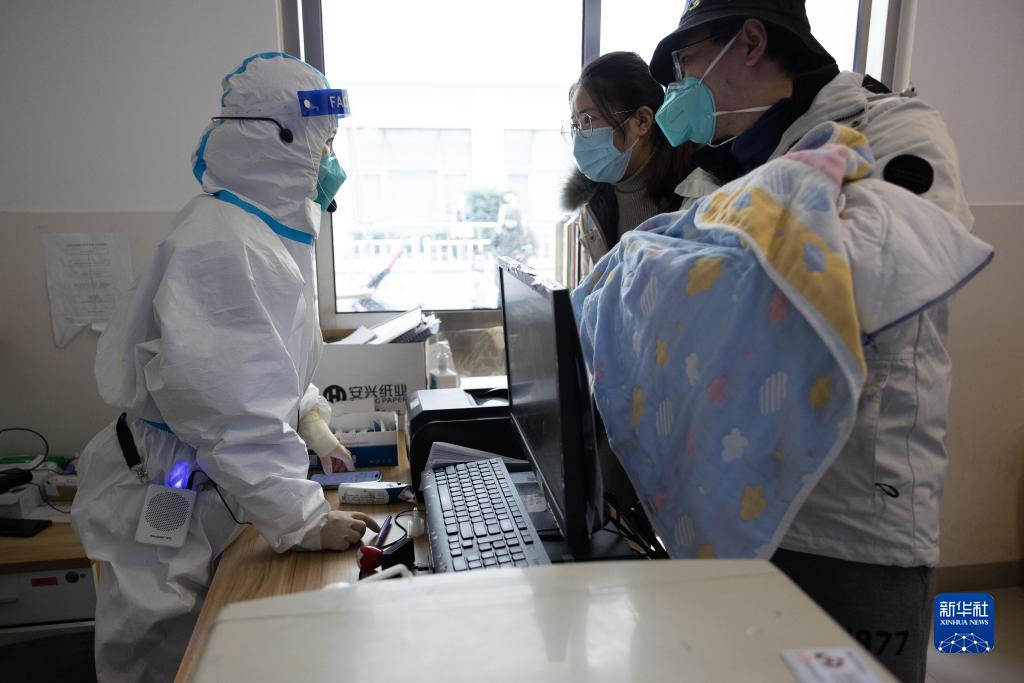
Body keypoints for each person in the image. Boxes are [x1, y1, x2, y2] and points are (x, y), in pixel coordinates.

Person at [648, 2, 972, 681]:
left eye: (685, 62)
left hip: (853, 512)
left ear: (751, 42)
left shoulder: (892, 130)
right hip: (747, 499)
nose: (678, 86)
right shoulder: (724, 170)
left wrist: (695, 274)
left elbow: (863, 281)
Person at [71, 53, 379, 682]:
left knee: (209, 650)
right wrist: (304, 519)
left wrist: (309, 416)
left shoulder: (257, 233)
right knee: (163, 658)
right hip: (169, 489)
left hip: (208, 485)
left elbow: (261, 364)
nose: (331, 162)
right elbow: (230, 411)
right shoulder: (223, 243)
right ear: (281, 140)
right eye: (325, 144)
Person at [562, 51, 695, 261]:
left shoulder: (696, 200)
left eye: (588, 119)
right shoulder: (593, 209)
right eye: (576, 124)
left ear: (642, 121)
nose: (579, 135)